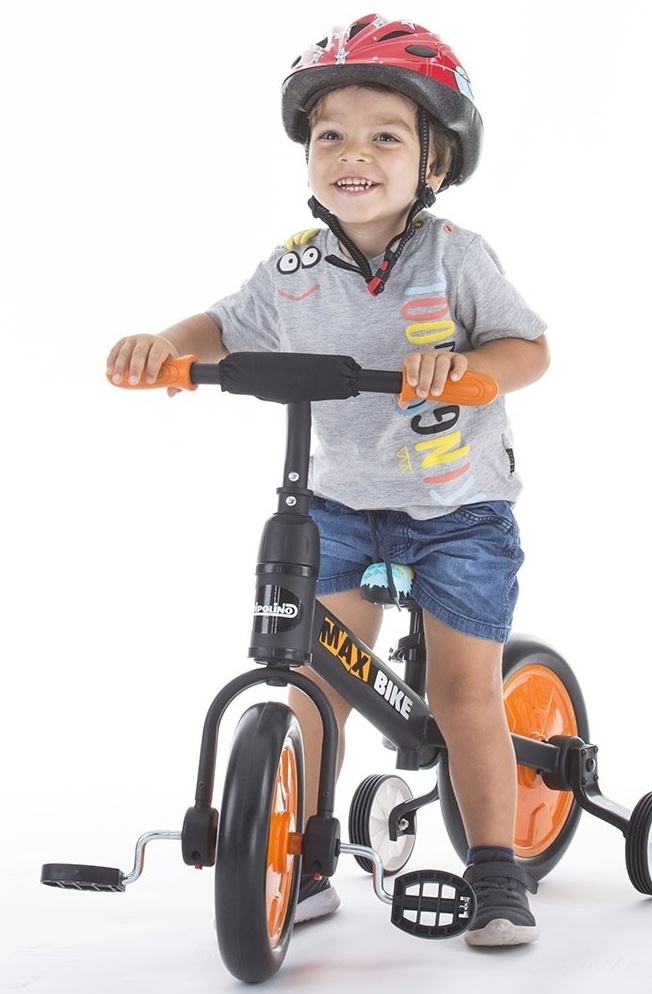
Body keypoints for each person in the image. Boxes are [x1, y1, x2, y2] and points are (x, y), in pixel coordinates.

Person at [107, 14, 550, 947]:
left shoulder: (455, 256)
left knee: (464, 694)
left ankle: (495, 871)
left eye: (385, 136)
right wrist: (166, 346)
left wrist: (469, 369)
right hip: (340, 504)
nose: (353, 153)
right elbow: (223, 326)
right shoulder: (293, 268)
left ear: (433, 161)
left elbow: (528, 348)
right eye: (330, 136)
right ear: (307, 156)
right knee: (317, 684)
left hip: (455, 510)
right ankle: (305, 862)